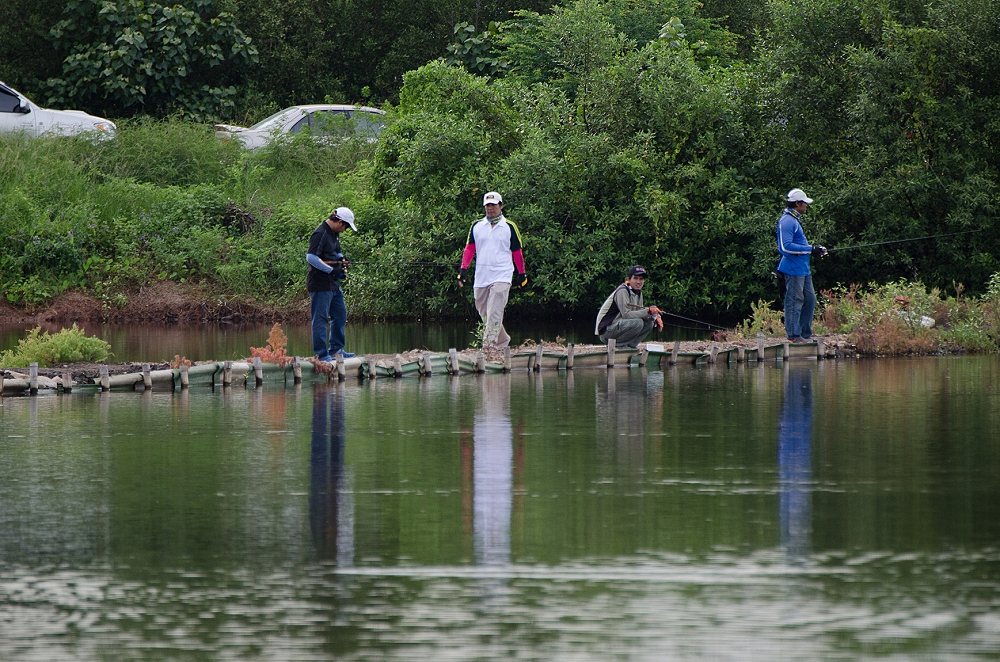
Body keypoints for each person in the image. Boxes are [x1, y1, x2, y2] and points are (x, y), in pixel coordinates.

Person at [457, 191, 527, 355]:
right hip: (482, 276)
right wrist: (463, 270)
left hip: (502, 275)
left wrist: (521, 273)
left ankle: (488, 349)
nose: (490, 208)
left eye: (494, 205)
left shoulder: (509, 226)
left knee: (495, 310)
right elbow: (469, 249)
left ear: (501, 206)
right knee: (485, 313)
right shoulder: (476, 226)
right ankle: (503, 341)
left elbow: (517, 252)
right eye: (487, 205)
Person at [775, 188, 826, 343]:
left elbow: (800, 245)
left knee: (810, 299)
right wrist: (811, 249)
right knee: (795, 301)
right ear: (797, 204)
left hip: (803, 269)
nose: (806, 206)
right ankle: (794, 336)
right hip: (793, 269)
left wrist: (817, 250)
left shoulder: (794, 219)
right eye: (804, 203)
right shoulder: (786, 221)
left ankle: (805, 334)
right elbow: (785, 247)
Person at [307, 206, 357, 361]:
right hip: (320, 284)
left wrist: (341, 260)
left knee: (340, 315)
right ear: (339, 222)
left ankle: (337, 350)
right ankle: (321, 355)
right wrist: (331, 270)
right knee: (320, 319)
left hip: (333, 284)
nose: (345, 229)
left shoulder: (334, 234)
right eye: (346, 226)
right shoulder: (320, 233)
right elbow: (311, 257)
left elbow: (336, 252)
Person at [595, 265, 664, 348]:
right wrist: (648, 311)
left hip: (619, 326)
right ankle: (616, 346)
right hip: (605, 331)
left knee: (650, 323)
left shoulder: (639, 293)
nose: (638, 282)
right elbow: (626, 315)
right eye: (635, 278)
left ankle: (630, 346)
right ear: (629, 279)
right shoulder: (622, 290)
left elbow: (639, 314)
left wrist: (654, 316)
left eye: (641, 279)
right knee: (638, 323)